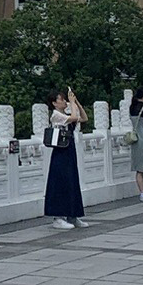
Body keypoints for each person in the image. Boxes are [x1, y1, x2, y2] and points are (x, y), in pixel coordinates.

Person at [43, 88, 87, 229]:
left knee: (72, 181)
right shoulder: (56, 115)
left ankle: (72, 215)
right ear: (54, 103)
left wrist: (77, 102)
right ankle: (58, 216)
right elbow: (73, 118)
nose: (64, 101)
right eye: (61, 99)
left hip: (70, 150)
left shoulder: (66, 113)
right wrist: (72, 104)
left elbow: (84, 118)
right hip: (60, 152)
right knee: (60, 181)